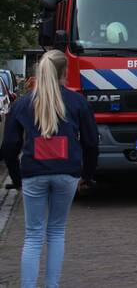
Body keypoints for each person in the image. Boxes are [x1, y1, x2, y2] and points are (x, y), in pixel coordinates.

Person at [1, 50, 98, 288]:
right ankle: (52, 285)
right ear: (65, 72)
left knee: (33, 236)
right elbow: (91, 142)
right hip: (67, 172)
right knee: (56, 232)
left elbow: (9, 147)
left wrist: (16, 177)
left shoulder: (23, 104)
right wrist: (87, 176)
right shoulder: (77, 102)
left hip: (34, 172)